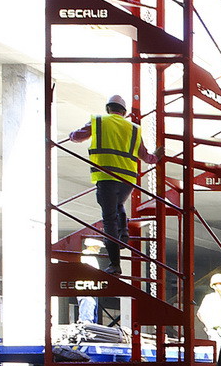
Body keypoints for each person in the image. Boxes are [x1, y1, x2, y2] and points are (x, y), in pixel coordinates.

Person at [66, 95, 155, 274]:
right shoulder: (134, 128)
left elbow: (77, 137)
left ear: (108, 109)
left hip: (106, 177)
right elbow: (146, 156)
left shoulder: (99, 122)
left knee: (109, 220)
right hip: (128, 179)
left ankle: (115, 264)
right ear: (125, 112)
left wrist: (70, 135)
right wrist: (157, 156)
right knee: (119, 205)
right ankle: (124, 233)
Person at [199, 271, 221, 350]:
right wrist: (209, 327)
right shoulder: (209, 298)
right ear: (214, 286)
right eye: (220, 284)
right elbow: (200, 313)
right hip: (215, 332)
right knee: (218, 354)